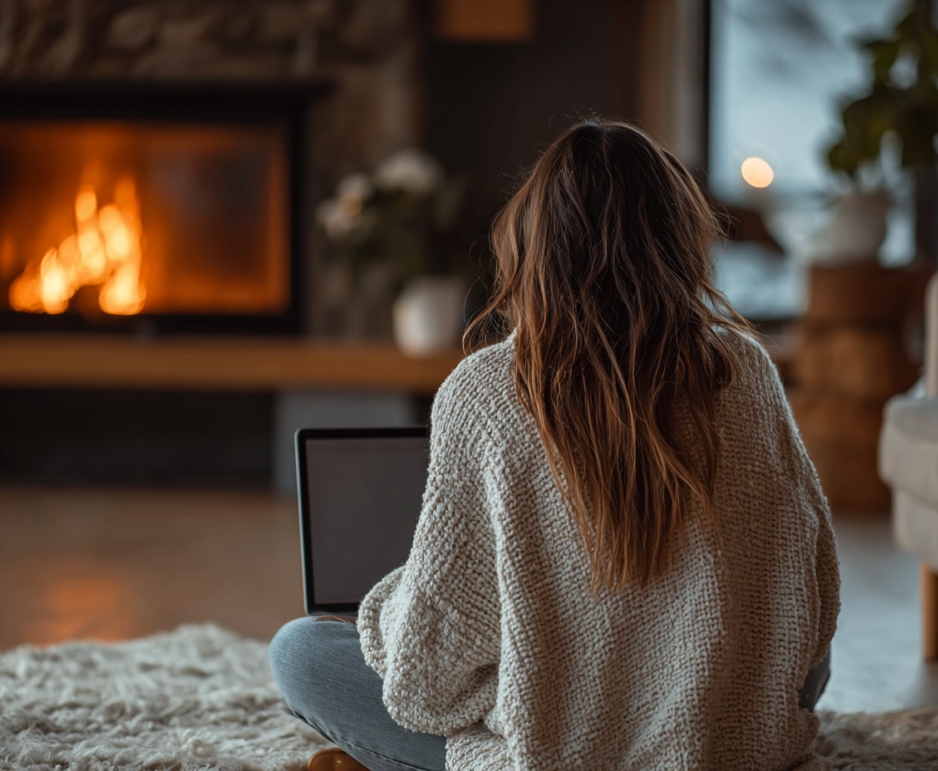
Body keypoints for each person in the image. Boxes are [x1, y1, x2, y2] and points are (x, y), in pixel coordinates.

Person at [270, 118, 839, 771]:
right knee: (793, 669)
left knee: (301, 649)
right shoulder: (744, 368)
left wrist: (389, 605)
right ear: (682, 239)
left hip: (556, 752)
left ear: (531, 242)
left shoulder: (484, 391)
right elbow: (814, 596)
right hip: (728, 737)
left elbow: (427, 683)